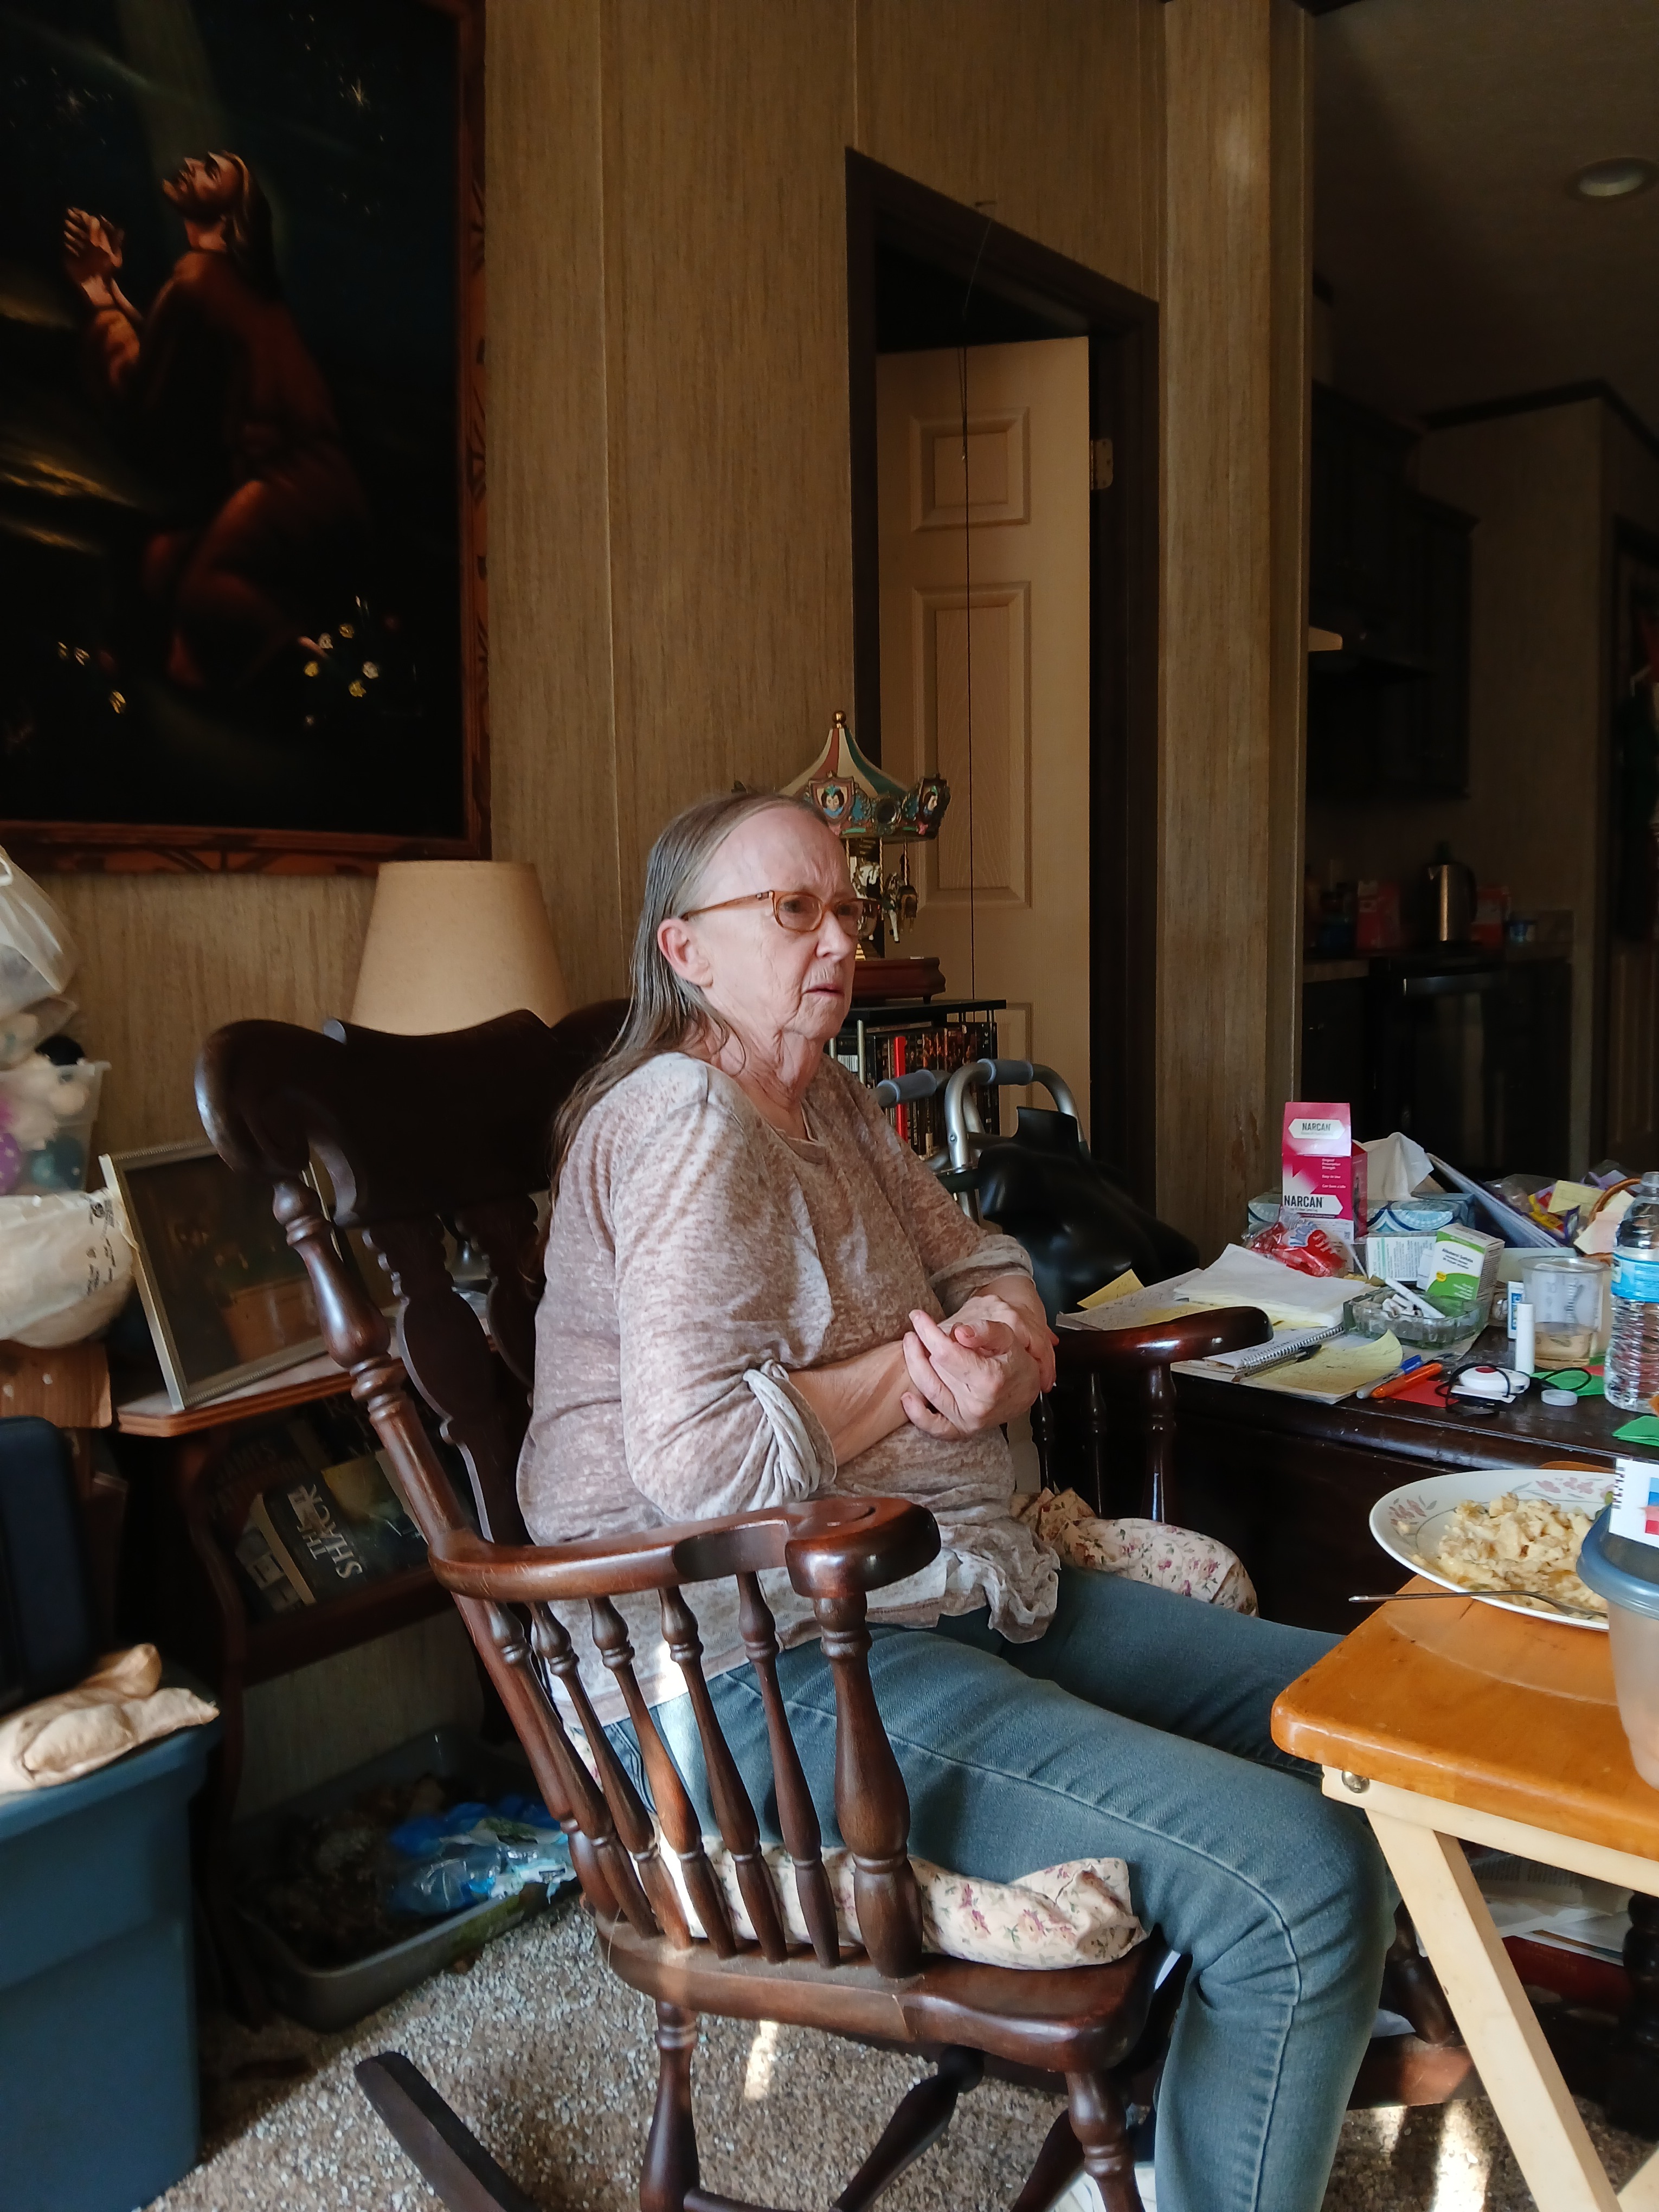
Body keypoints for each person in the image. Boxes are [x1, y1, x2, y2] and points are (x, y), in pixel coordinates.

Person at [518, 789, 1392, 2212]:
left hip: (939, 1586)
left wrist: (992, 1347)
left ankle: (1212, 2105)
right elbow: (698, 1466)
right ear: (686, 949)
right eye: (791, 910)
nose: (836, 940)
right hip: (757, 1668)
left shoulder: (831, 1098)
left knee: (1366, 1719)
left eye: (845, 909)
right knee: (1304, 1878)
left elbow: (985, 1257)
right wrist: (907, 1377)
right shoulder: (681, 1120)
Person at [62, 153, 369, 694]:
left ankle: (322, 677)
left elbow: (143, 402)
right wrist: (109, 292)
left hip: (299, 483)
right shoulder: (225, 283)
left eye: (211, 170)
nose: (191, 165)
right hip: (311, 485)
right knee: (159, 560)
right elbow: (169, 362)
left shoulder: (200, 277)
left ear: (230, 217)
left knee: (205, 590)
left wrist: (95, 295)